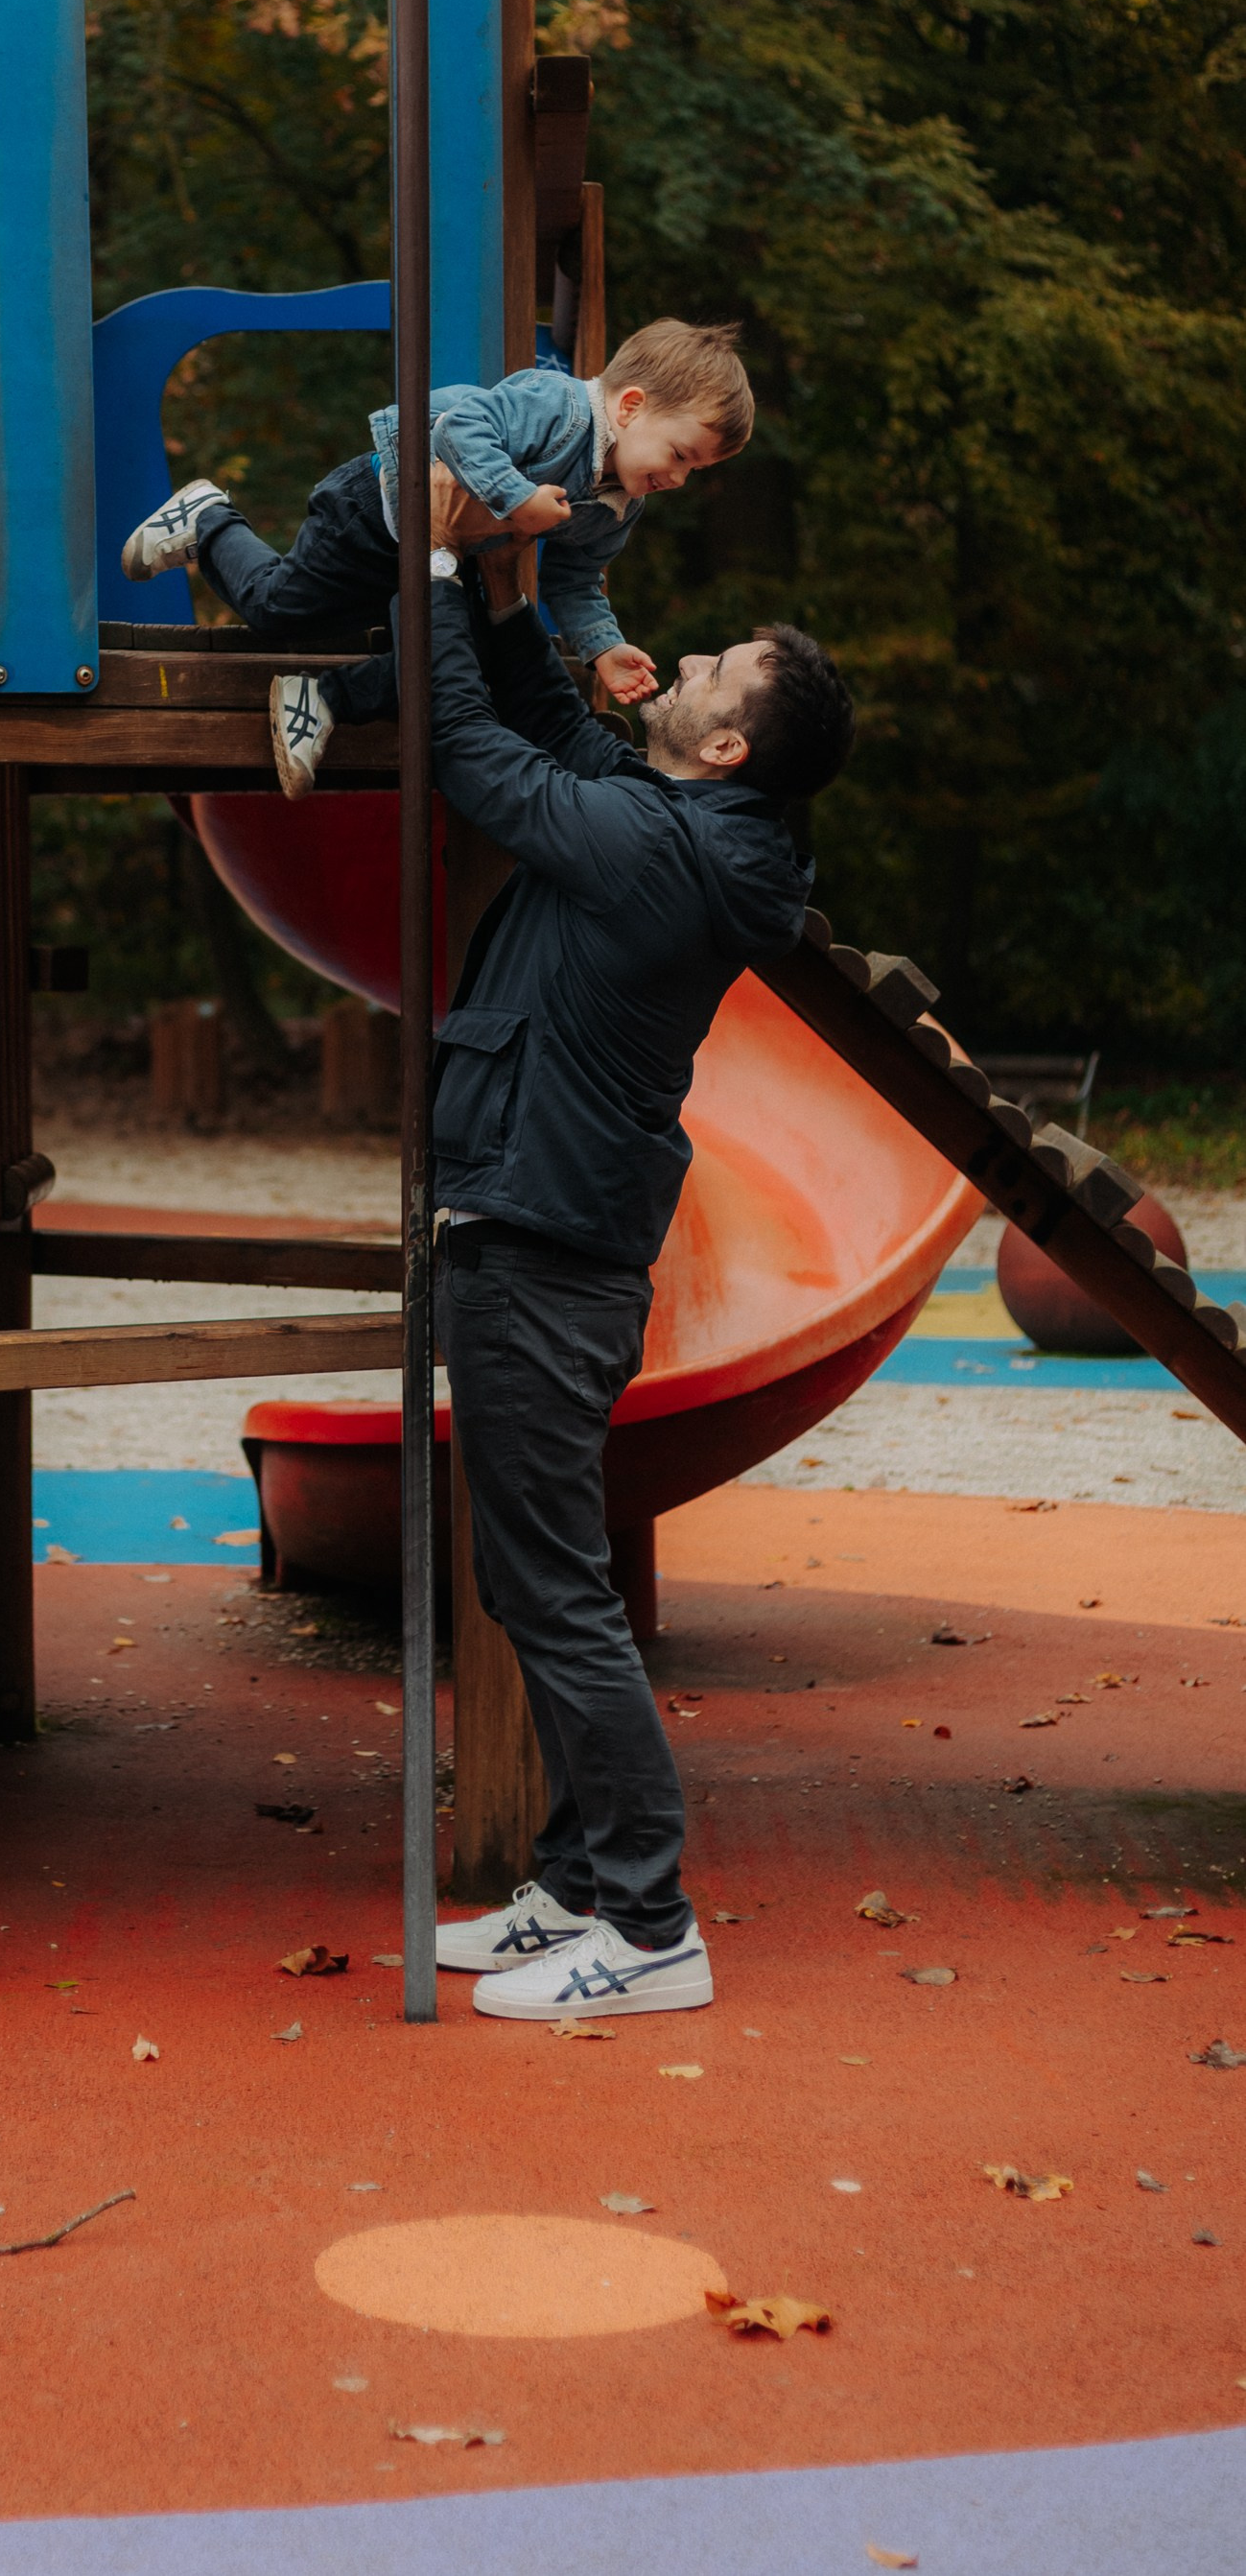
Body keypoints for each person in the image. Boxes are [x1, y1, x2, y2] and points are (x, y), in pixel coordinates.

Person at [419, 519, 855, 2020]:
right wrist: (497, 596)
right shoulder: (665, 816)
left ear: (724, 747)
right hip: (545, 1226)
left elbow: (477, 763)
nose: (686, 655)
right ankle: (580, 1882)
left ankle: (654, 1924)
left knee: (549, 1587)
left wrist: (421, 576)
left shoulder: (661, 856)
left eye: (715, 667)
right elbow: (541, 722)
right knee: (532, 1574)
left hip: (546, 1245)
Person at [117, 318, 755, 794]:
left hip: (441, 555)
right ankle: (207, 518)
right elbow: (459, 429)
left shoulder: (620, 502)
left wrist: (602, 648)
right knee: (276, 608)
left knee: (457, 656)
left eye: (695, 470)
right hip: (377, 506)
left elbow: (578, 575)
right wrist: (517, 498)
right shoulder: (555, 406)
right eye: (679, 455)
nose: (679, 479)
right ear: (631, 406)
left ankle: (319, 699)